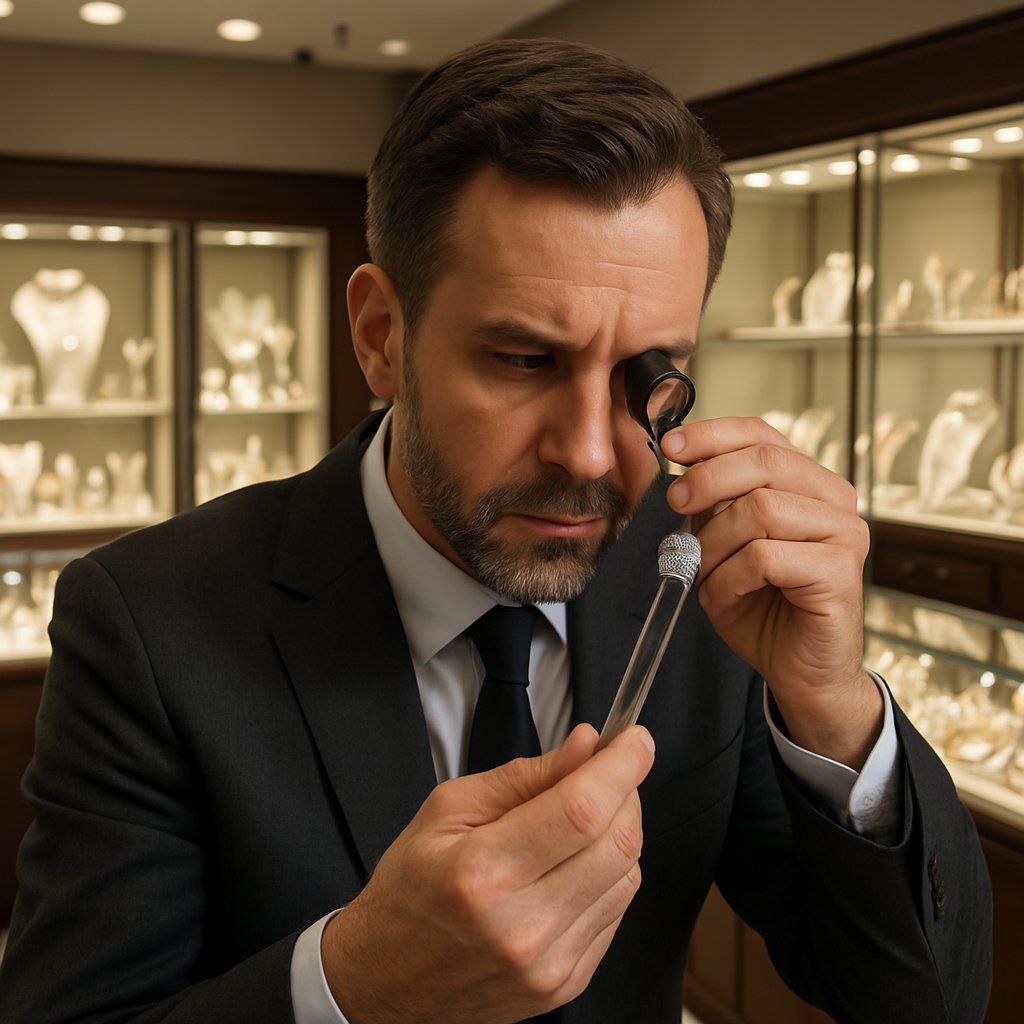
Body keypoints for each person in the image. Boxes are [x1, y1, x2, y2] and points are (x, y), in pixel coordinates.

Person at [0, 38, 991, 1024]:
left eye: (648, 378)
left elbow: (920, 999)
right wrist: (352, 983)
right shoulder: (147, 620)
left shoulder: (695, 587)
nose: (592, 458)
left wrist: (834, 706)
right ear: (381, 337)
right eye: (522, 360)